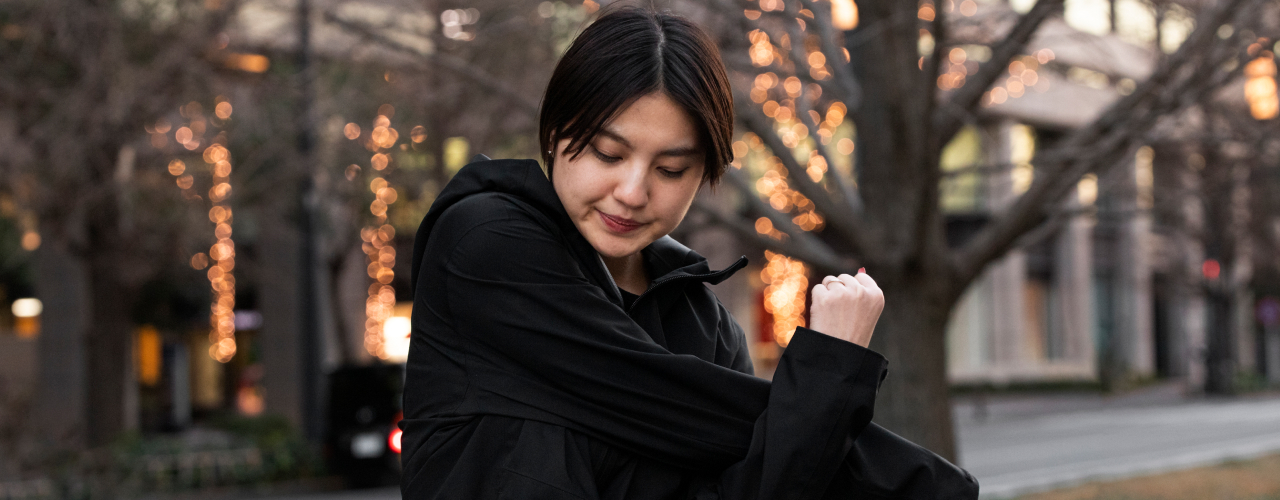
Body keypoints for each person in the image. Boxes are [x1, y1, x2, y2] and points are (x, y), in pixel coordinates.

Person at [401, 6, 979, 499]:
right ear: (554, 136)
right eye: (607, 153)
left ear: (705, 175)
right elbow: (666, 400)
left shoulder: (706, 327)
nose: (631, 191)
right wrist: (849, 414)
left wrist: (827, 366)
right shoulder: (486, 243)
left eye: (670, 168)